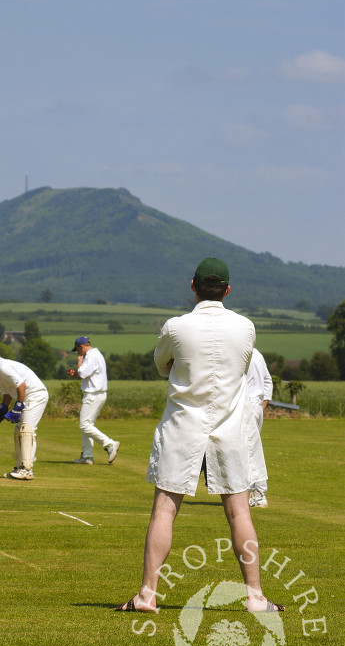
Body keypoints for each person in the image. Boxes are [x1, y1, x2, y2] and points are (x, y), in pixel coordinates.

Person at [115, 258, 284, 614]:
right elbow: (240, 366)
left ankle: (147, 595)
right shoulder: (245, 327)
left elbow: (163, 365)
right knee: (240, 513)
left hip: (182, 426)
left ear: (193, 286)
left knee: (164, 509)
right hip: (229, 428)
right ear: (227, 289)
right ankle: (255, 597)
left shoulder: (175, 327)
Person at [0, 346, 49, 480]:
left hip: (36, 395)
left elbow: (21, 385)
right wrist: (1, 410)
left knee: (26, 430)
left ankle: (27, 469)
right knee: (19, 431)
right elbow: (7, 393)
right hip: (29, 397)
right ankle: (20, 467)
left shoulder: (4, 367)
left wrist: (18, 406)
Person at [67, 336, 120, 465]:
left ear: (82, 346)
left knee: (84, 425)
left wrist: (79, 363)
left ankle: (110, 444)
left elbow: (83, 372)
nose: (78, 353)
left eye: (78, 350)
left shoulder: (90, 356)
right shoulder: (96, 354)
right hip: (98, 394)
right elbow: (85, 374)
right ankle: (87, 456)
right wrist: (76, 374)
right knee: (87, 425)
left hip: (93, 395)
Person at [246, 348, 273, 508]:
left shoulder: (239, 351)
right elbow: (268, 381)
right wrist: (261, 405)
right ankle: (250, 492)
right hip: (254, 405)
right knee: (249, 449)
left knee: (249, 450)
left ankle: (259, 494)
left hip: (246, 405)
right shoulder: (257, 353)